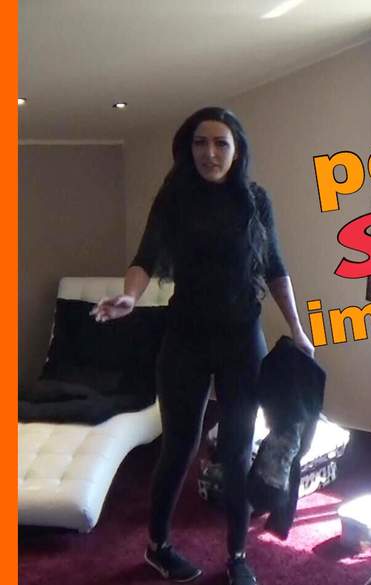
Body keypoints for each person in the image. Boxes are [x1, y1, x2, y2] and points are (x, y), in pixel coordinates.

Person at [91, 107, 315, 585]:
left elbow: (275, 267)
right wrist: (130, 296)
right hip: (185, 339)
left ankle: (237, 555)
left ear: (237, 150)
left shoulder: (255, 200)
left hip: (242, 339)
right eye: (200, 143)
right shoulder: (174, 198)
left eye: (220, 143)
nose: (209, 153)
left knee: (237, 449)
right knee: (179, 446)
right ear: (187, 149)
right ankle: (158, 546)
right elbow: (145, 257)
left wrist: (298, 329)